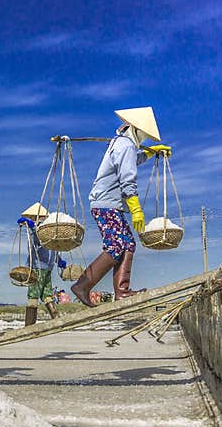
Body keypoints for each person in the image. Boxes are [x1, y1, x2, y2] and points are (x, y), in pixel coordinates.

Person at [71, 107, 171, 307]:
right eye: (143, 136)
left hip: (110, 205)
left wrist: (150, 153)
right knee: (116, 245)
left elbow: (132, 160)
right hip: (106, 204)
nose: (144, 139)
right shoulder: (125, 145)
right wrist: (135, 208)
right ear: (134, 129)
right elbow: (127, 178)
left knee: (128, 244)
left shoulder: (123, 145)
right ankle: (82, 286)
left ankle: (122, 291)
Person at [16, 202, 65, 325]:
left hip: (38, 267)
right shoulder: (50, 233)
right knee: (47, 294)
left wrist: (31, 227)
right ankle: (56, 320)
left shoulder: (40, 231)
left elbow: (38, 240)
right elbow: (52, 247)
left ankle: (29, 325)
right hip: (48, 268)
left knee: (33, 294)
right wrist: (59, 261)